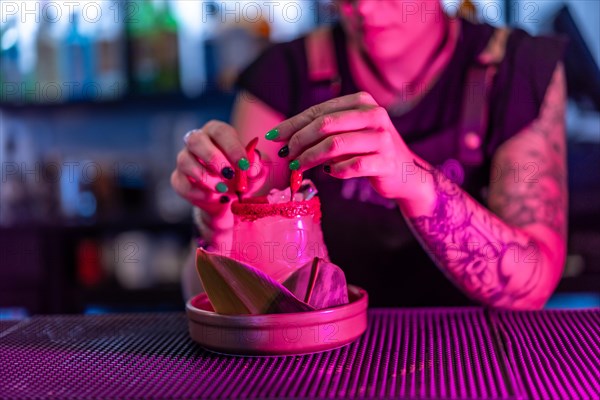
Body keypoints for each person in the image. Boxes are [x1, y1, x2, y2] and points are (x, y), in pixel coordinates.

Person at [172, 0, 568, 309]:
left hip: (476, 357)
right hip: (323, 360)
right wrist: (217, 220)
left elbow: (533, 284)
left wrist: (413, 179)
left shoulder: (517, 68)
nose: (360, 8)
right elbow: (204, 296)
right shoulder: (282, 74)